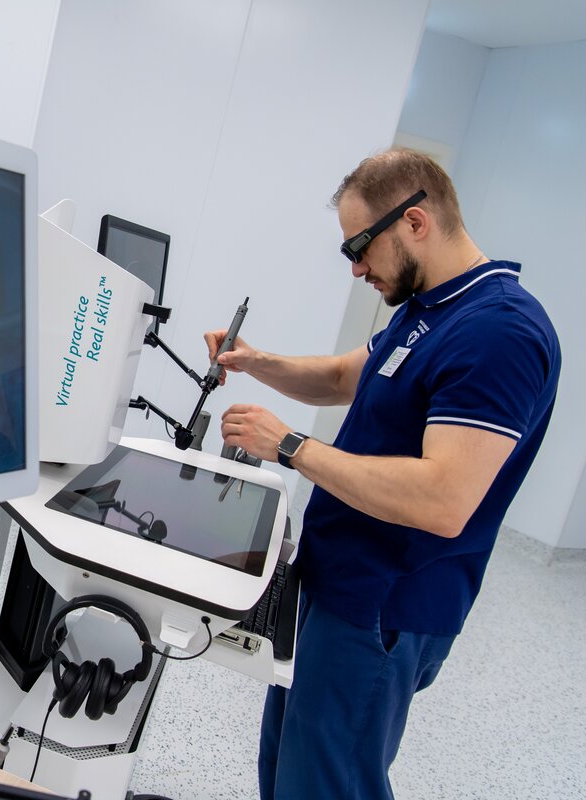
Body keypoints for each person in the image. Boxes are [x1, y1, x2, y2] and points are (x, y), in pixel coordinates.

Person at [203, 148, 560, 800]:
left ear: (415, 221)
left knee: (328, 783)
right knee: (288, 771)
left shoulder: (498, 333)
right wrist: (256, 362)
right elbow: (347, 375)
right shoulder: (430, 307)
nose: (357, 268)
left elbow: (444, 499)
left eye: (359, 247)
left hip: (385, 606)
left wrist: (290, 446)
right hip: (338, 582)